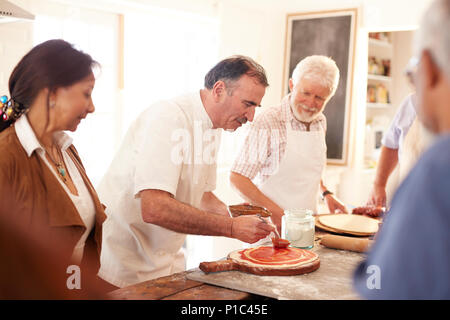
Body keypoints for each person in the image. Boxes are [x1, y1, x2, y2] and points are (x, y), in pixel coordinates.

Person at [97, 56, 275, 288]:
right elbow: (154, 208)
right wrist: (232, 228)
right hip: (122, 265)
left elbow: (202, 196)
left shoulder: (214, 127)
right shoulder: (168, 117)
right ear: (219, 90)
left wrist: (238, 218)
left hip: (165, 262)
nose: (251, 117)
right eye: (247, 104)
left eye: (255, 107)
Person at [0, 39, 114, 294]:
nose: (92, 107)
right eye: (86, 93)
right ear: (51, 93)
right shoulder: (6, 156)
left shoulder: (66, 149)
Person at [353, 0, 450, 299]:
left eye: (412, 74)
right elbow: (391, 144)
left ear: (429, 69)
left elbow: (382, 286)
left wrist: (388, 245)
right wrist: (380, 185)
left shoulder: (438, 168)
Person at [230, 55, 347, 233]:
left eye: (320, 98)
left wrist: (326, 193)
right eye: (306, 93)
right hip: (271, 231)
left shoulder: (320, 121)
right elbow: (238, 178)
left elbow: (308, 166)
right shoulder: (269, 121)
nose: (310, 103)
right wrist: (277, 214)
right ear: (292, 85)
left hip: (309, 227)